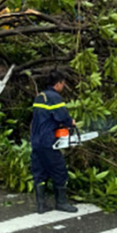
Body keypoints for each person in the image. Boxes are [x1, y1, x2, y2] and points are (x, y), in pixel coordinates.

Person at [31, 70, 78, 214]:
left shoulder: (40, 97)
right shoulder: (54, 98)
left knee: (40, 171)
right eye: (63, 84)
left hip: (36, 140)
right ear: (58, 84)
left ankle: (41, 205)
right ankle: (61, 203)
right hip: (48, 141)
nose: (63, 86)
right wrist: (71, 122)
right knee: (59, 170)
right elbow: (62, 117)